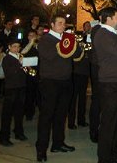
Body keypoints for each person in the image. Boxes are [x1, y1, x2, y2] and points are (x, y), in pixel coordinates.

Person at [35, 14, 84, 162]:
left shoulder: (65, 39)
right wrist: (65, 43)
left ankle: (58, 143)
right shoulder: (45, 40)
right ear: (52, 25)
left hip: (66, 81)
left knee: (61, 115)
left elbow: (76, 55)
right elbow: (51, 56)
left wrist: (76, 45)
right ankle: (41, 150)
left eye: (64, 23)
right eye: (60, 23)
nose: (64, 26)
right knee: (46, 116)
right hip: (50, 82)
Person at [93, 6, 117, 163]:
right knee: (109, 123)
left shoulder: (112, 33)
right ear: (108, 18)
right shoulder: (102, 33)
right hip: (110, 83)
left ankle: (113, 153)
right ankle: (104, 158)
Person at [0, 37, 27, 146]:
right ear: (9, 47)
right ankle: (4, 138)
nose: (16, 49)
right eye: (14, 47)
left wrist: (26, 66)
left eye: (18, 47)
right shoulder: (7, 59)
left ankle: (18, 132)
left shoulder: (20, 57)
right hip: (11, 89)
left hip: (21, 87)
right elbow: (10, 73)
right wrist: (20, 64)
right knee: (7, 114)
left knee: (19, 112)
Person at [68, 25, 91, 129]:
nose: (79, 39)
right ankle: (71, 122)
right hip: (75, 74)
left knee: (83, 98)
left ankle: (81, 120)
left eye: (81, 37)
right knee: (73, 99)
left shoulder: (86, 46)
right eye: (77, 37)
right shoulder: (73, 47)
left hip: (84, 73)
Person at [21, 29, 39, 121]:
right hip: (29, 72)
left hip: (39, 71)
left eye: (33, 35)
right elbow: (22, 54)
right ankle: (29, 113)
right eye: (30, 35)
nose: (32, 37)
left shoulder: (39, 45)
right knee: (29, 93)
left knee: (38, 93)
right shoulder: (25, 46)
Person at [89, 19, 101, 143]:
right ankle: (94, 130)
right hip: (98, 68)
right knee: (97, 100)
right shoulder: (98, 30)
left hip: (105, 69)